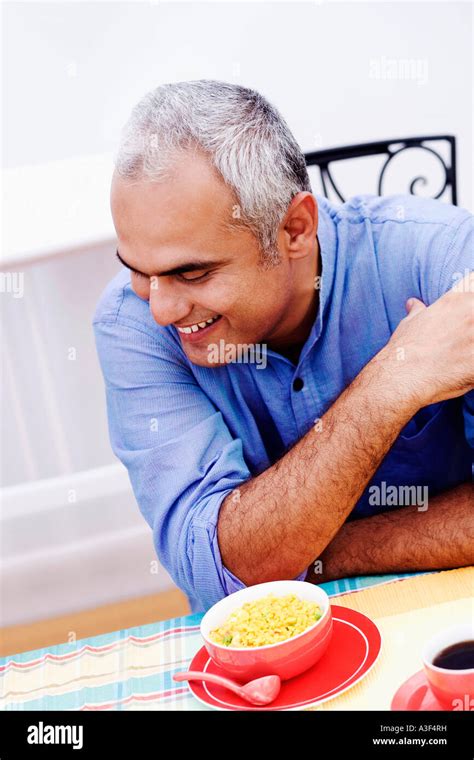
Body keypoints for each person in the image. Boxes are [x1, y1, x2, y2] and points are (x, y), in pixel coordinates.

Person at [93, 80, 473, 613]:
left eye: (192, 272)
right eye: (137, 270)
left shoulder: (449, 262)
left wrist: (310, 554)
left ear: (294, 228)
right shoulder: (129, 325)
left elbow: (243, 573)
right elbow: (213, 570)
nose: (161, 309)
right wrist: (389, 384)